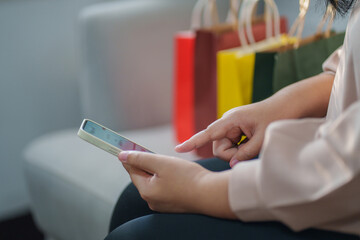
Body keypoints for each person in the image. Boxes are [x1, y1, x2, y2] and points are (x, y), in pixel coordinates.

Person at [106, 0, 360, 239]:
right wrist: (278, 106)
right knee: (133, 200)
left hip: (338, 190)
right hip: (327, 162)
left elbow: (348, 176)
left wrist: (200, 187)